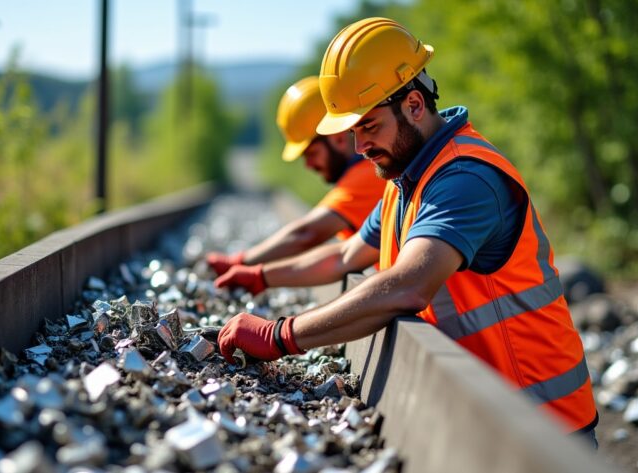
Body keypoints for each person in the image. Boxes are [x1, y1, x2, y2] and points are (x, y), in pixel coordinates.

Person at [216, 17, 598, 443]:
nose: (360, 148)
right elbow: (345, 256)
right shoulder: (406, 182)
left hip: (544, 426)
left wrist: (279, 336)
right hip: (491, 413)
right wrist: (261, 275)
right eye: (353, 132)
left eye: (370, 126)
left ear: (414, 105)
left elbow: (407, 286)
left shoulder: (465, 179)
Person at [205, 76, 386, 285]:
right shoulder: (365, 172)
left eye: (311, 153)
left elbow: (306, 233)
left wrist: (240, 262)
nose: (309, 165)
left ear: (336, 137)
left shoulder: (368, 175)